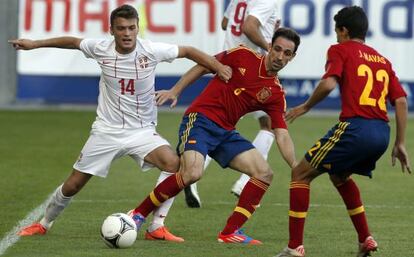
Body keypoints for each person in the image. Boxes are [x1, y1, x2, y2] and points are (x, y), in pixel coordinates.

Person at [9, 4, 231, 242]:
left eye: (131, 28)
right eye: (121, 28)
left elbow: (188, 50)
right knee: (73, 185)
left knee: (173, 164)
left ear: (137, 29)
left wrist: (217, 67)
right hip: (106, 131)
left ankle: (156, 226)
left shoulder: (151, 50)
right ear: (111, 30)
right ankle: (44, 223)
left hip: (142, 131)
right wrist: (35, 44)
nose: (127, 33)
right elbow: (73, 42)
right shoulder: (100, 48)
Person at [129, 27, 300, 244]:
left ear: (292, 58)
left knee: (264, 174)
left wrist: (296, 165)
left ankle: (230, 232)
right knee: (192, 173)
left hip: (226, 132)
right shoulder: (243, 55)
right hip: (200, 120)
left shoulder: (275, 93)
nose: (280, 56)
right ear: (269, 46)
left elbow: (282, 135)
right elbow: (204, 65)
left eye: (287, 53)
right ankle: (138, 214)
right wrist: (175, 90)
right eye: (277, 49)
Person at [275, 6, 411, 257]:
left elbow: (328, 83)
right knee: (339, 176)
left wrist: (305, 106)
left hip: (355, 128)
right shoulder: (382, 60)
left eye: (337, 31)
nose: (335, 36)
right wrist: (400, 143)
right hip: (382, 134)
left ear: (344, 30)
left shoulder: (339, 50)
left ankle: (294, 247)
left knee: (300, 174)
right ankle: (365, 239)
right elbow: (401, 101)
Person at [184, 0, 282, 208]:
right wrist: (270, 47)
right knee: (266, 124)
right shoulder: (267, 2)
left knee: (221, 124)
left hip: (226, 63)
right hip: (248, 69)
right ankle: (244, 181)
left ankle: (195, 175)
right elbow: (248, 26)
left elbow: (224, 23)